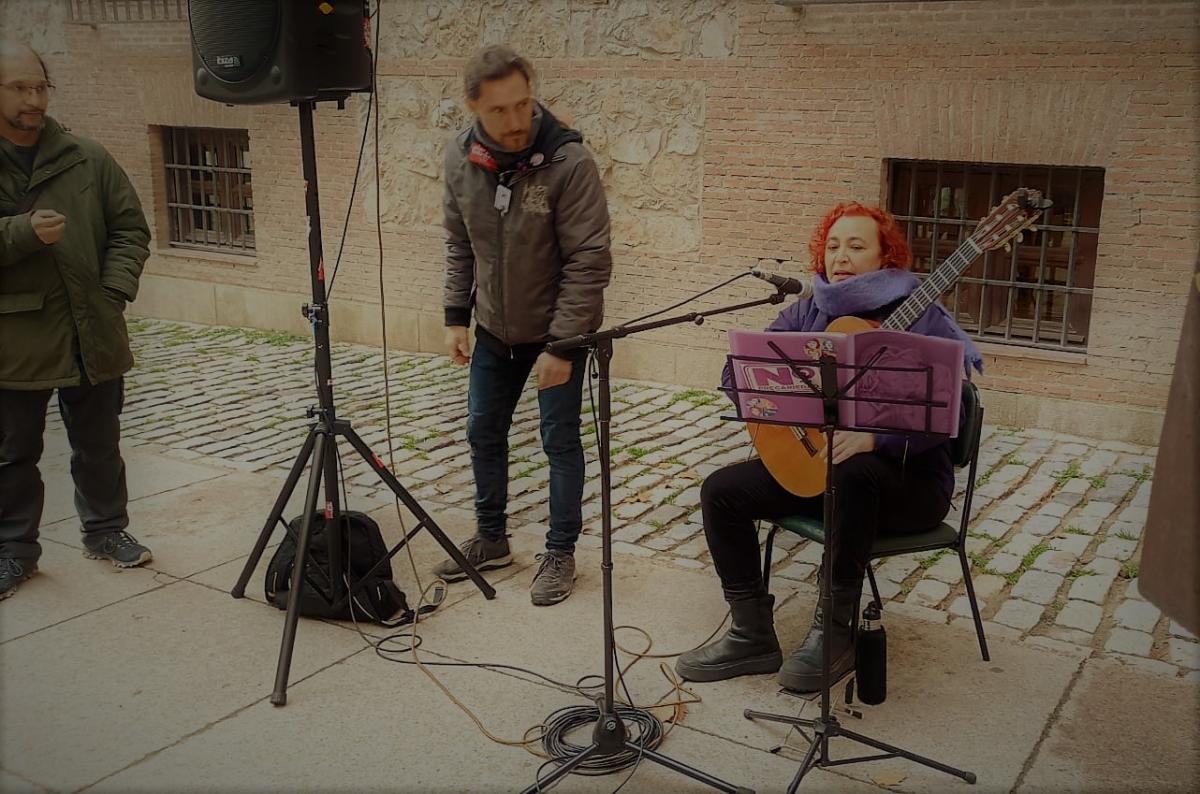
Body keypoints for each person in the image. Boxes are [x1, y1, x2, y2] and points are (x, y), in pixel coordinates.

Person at [675, 202, 982, 691]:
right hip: (819, 468)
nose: (841, 256)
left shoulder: (926, 317)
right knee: (722, 490)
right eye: (833, 245)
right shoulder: (810, 309)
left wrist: (876, 436)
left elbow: (953, 413)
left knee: (854, 473)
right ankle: (751, 635)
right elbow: (743, 369)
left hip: (907, 485)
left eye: (857, 246)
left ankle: (836, 635)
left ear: (886, 257)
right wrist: (769, 409)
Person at [434, 45, 612, 606]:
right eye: (499, 111)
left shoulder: (569, 162)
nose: (515, 122)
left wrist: (561, 346)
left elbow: (589, 260)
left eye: (523, 105)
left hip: (556, 333)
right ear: (473, 107)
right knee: (482, 430)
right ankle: (491, 538)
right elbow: (460, 243)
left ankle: (560, 551)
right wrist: (455, 317)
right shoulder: (460, 159)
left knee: (559, 440)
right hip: (492, 331)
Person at [0, 41, 152, 600]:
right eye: (19, 88)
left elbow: (130, 229)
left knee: (100, 444)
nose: (34, 99)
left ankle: (107, 531)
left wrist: (112, 293)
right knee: (13, 453)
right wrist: (19, 233)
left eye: (40, 87)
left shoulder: (87, 155)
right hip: (14, 341)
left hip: (93, 328)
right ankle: (13, 550)